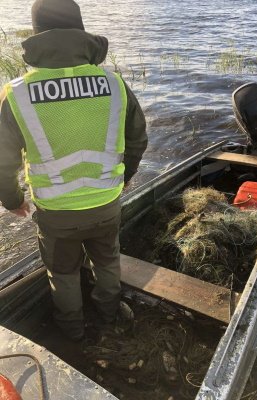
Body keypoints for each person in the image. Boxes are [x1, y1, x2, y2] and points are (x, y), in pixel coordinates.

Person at [0, 0, 147, 341]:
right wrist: (122, 180)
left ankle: (73, 333)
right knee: (108, 262)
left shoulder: (16, 94)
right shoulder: (114, 85)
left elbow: (2, 160)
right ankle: (108, 319)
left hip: (56, 212)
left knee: (63, 273)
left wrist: (12, 200)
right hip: (106, 203)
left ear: (37, 35)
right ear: (81, 32)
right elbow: (138, 140)